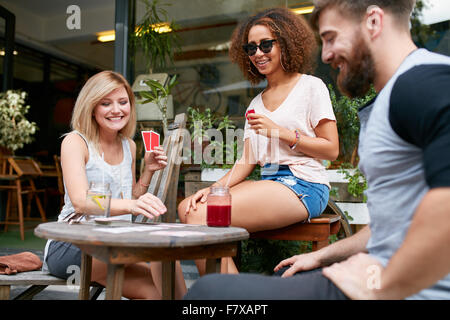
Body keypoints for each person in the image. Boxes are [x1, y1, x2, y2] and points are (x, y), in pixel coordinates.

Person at [184, 0, 450, 300]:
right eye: (250, 48)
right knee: (198, 235)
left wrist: (382, 284)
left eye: (331, 37)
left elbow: (444, 212)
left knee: (209, 294)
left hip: (388, 283)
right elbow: (392, 224)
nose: (325, 55)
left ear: (374, 22)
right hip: (368, 272)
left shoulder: (425, 83)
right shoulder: (393, 97)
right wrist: (324, 257)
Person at [178, 7, 339, 275]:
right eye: (251, 48)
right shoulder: (256, 103)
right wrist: (214, 188)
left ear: (285, 43)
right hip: (270, 181)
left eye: (266, 45)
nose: (258, 54)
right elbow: (247, 161)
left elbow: (331, 149)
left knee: (200, 216)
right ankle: (229, 295)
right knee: (187, 207)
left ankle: (231, 299)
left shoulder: (311, 87)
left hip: (303, 184)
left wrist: (281, 132)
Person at [42, 70, 187, 300]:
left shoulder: (128, 145)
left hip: (115, 240)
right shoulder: (75, 142)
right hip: (72, 246)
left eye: (123, 102)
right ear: (91, 107)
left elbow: (129, 197)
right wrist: (131, 205)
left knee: (156, 291)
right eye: (106, 103)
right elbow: (81, 201)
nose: (117, 110)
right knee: (162, 250)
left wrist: (147, 172)